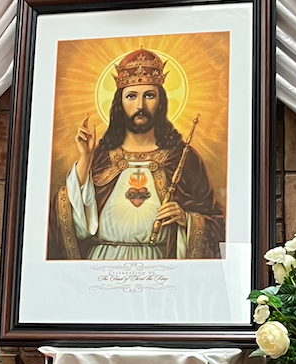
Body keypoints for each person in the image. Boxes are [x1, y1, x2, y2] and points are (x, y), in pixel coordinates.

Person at [49, 48, 224, 261]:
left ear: (161, 102)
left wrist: (186, 219)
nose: (140, 105)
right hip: (103, 263)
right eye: (131, 96)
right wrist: (85, 158)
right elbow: (70, 222)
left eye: (149, 95)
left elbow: (218, 224)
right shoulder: (100, 157)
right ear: (119, 103)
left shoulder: (183, 158)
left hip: (162, 264)